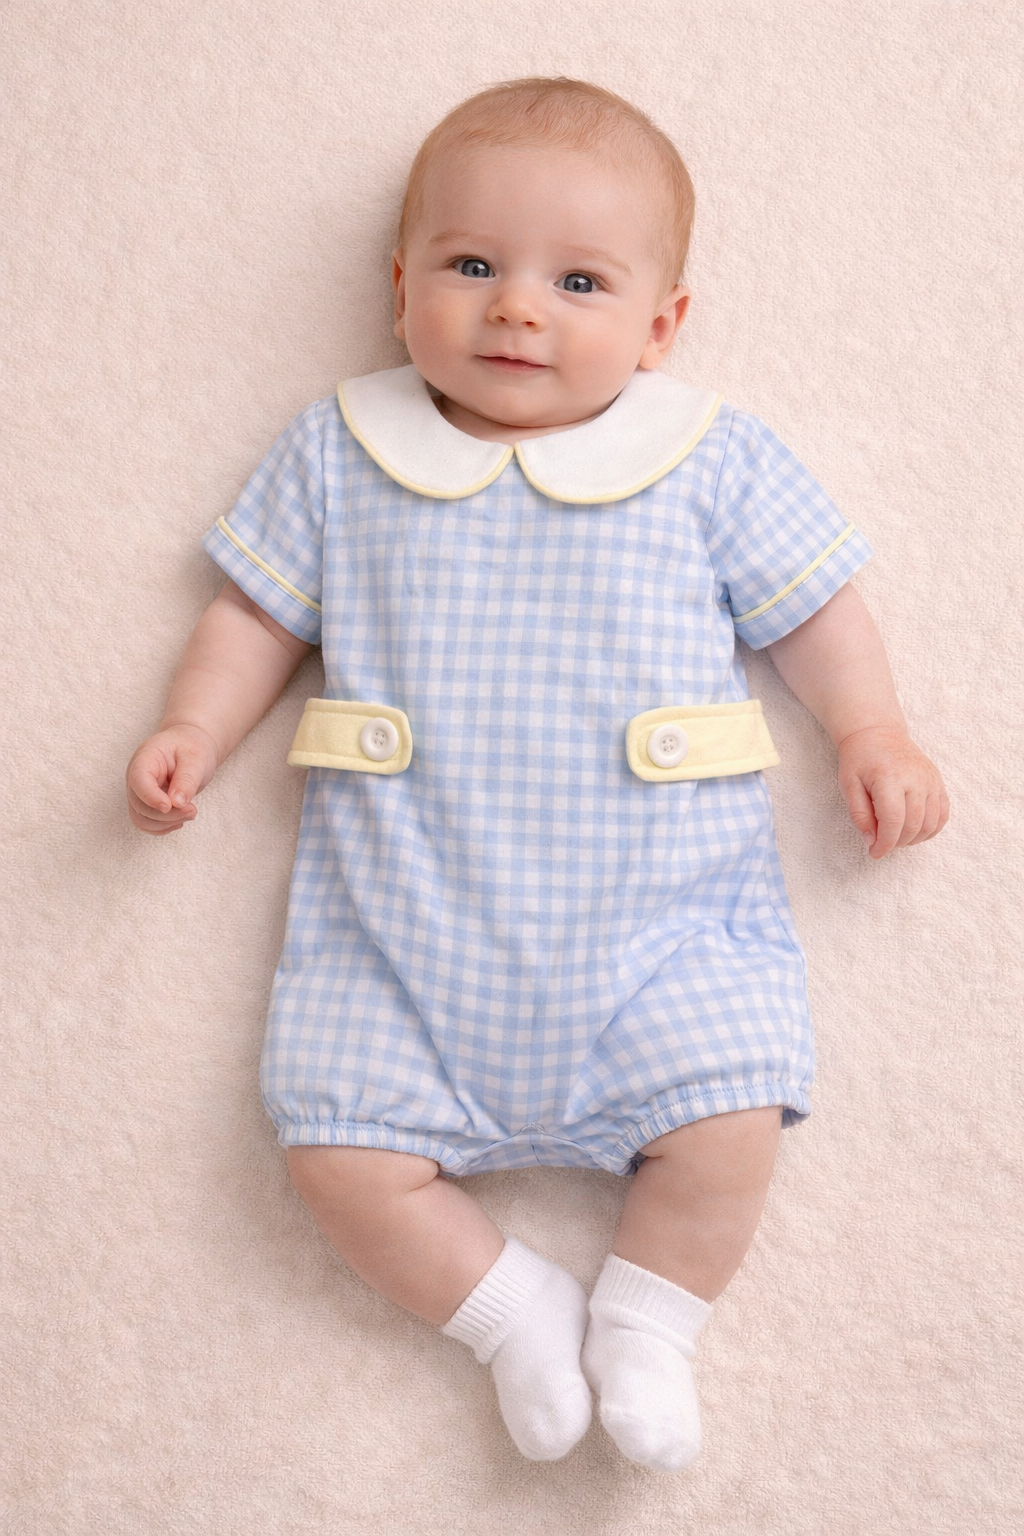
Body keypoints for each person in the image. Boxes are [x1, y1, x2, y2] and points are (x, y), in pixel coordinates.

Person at [125, 78, 948, 1472]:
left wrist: (873, 733)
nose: (518, 309)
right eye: (470, 266)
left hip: (659, 936)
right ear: (400, 289)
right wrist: (196, 728)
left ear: (661, 324)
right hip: (402, 944)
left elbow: (817, 613)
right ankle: (514, 1312)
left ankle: (646, 1319)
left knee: (731, 1119)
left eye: (579, 280)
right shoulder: (343, 450)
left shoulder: (708, 460)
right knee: (336, 1154)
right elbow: (255, 617)